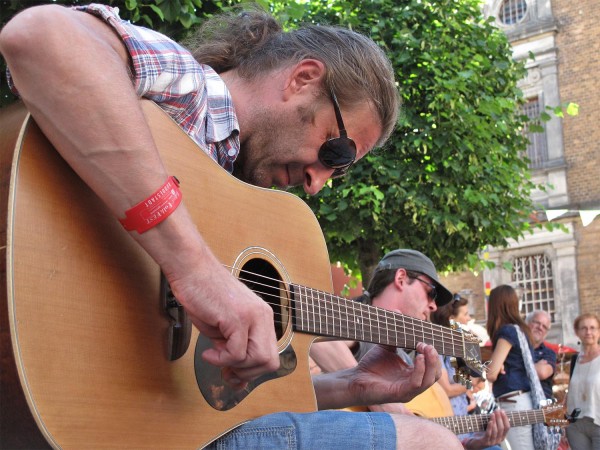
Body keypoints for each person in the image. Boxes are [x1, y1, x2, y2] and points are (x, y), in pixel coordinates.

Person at [0, 4, 463, 449]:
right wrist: (195, 269)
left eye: (337, 172)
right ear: (303, 79)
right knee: (433, 443)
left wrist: (356, 385)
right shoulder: (193, 94)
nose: (317, 183)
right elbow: (40, 36)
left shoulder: (240, 201)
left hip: (128, 423)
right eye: (334, 152)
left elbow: (223, 411)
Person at [311, 249, 510, 450]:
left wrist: (474, 442)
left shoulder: (407, 355)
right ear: (401, 278)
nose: (433, 306)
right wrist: (377, 399)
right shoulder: (352, 319)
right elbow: (315, 331)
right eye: (431, 292)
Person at [486, 285, 555, 450]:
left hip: (513, 402)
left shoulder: (507, 331)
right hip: (522, 400)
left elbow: (491, 374)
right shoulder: (521, 331)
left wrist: (491, 365)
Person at [431, 298, 503, 450]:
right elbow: (448, 390)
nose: (469, 318)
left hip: (462, 421)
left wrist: (474, 383)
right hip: (449, 424)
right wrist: (473, 383)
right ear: (450, 320)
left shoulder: (460, 345)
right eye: (465, 314)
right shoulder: (436, 348)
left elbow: (474, 383)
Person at [566, 313, 600, 450]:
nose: (588, 332)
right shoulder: (575, 360)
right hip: (576, 426)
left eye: (593, 328)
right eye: (584, 328)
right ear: (577, 332)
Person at [525, 309, 557, 400]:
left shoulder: (549, 353)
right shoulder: (514, 348)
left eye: (544, 327)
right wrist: (535, 366)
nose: (540, 328)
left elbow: (542, 373)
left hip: (542, 407)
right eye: (537, 323)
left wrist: (515, 369)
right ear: (526, 323)